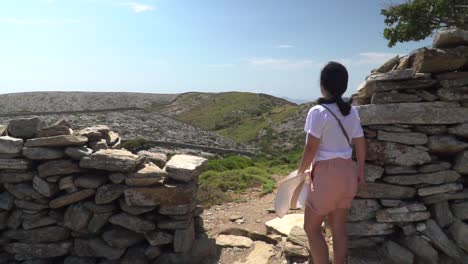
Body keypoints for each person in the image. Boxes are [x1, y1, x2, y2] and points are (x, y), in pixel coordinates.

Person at [296, 61, 366, 264]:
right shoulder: (352, 112)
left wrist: (300, 173)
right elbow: (360, 143)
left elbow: (311, 148)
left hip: (327, 175)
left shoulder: (317, 112)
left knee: (311, 228)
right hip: (347, 173)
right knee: (338, 228)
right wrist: (360, 171)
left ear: (322, 85)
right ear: (344, 85)